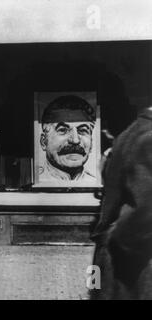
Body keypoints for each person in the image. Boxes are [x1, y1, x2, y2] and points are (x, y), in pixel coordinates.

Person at [90, 107, 152, 300]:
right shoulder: (148, 137)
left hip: (116, 255)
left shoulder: (135, 131)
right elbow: (144, 209)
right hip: (135, 265)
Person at [39, 95, 97, 182]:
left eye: (82, 130)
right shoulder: (34, 183)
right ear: (44, 142)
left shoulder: (97, 184)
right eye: (63, 130)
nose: (75, 140)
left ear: (91, 143)